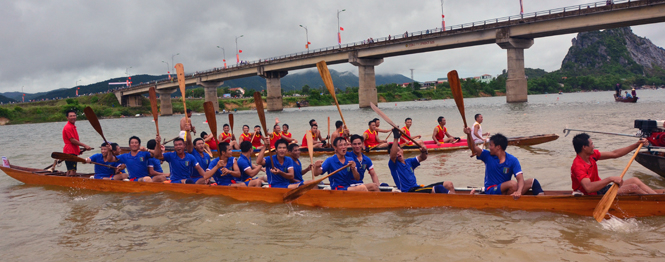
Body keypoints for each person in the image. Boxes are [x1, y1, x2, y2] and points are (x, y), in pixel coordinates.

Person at [463, 128, 544, 198]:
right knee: (513, 184)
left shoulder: (513, 160)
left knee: (532, 181)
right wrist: (469, 134)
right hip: (491, 189)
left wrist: (519, 191)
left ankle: (543, 200)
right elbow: (472, 147)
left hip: (505, 190)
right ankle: (507, 200)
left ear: (498, 147)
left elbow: (520, 179)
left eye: (491, 145)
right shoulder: (487, 156)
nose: (489, 147)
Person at [571, 133, 656, 195]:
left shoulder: (592, 155)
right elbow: (589, 188)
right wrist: (610, 179)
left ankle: (658, 198)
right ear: (584, 147)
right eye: (591, 144)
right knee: (633, 187)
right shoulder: (578, 166)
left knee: (635, 180)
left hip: (601, 189)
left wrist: (636, 145)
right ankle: (656, 204)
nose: (593, 146)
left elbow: (615, 154)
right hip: (591, 195)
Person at [388, 128, 455, 193]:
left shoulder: (409, 161)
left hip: (417, 188)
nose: (397, 153)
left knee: (449, 184)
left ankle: (453, 202)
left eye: (398, 150)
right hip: (409, 191)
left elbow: (423, 157)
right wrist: (396, 138)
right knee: (439, 188)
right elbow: (393, 156)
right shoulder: (393, 165)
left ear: (402, 150)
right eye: (395, 152)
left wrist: (424, 151)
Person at [62, 109, 93, 176]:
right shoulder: (68, 127)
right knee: (72, 171)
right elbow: (72, 140)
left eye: (74, 115)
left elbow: (74, 141)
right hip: (69, 151)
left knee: (70, 169)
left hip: (72, 150)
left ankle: (67, 183)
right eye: (71, 116)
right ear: (67, 117)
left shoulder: (72, 126)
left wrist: (78, 150)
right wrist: (85, 145)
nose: (73, 117)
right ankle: (70, 184)